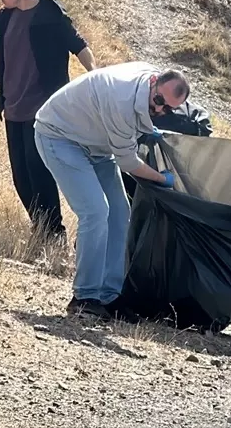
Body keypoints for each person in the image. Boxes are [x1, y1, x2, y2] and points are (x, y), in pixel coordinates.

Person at [34, 63, 190, 318]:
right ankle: (84, 297)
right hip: (60, 136)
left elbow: (133, 128)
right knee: (95, 211)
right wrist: (162, 179)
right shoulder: (122, 98)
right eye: (159, 100)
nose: (160, 109)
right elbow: (128, 163)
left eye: (168, 108)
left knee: (119, 213)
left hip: (98, 144)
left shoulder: (147, 85)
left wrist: (151, 131)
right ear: (153, 81)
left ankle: (109, 297)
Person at [0, 0, 96, 242]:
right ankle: (39, 226)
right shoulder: (4, 18)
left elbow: (79, 45)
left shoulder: (49, 14)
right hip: (13, 106)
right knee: (21, 175)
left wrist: (95, 77)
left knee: (38, 169)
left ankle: (55, 232)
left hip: (44, 107)